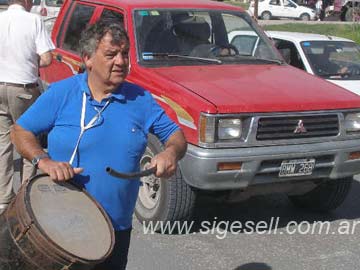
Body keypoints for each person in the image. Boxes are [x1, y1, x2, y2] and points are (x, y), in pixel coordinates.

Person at [10, 21, 187, 270]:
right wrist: (44, 161)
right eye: (111, 54)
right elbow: (20, 131)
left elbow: (176, 136)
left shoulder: (140, 99)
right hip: (59, 227)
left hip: (114, 231)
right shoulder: (63, 93)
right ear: (88, 59)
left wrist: (171, 153)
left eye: (125, 54)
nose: (121, 61)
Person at [0, 0, 55, 215]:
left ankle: (3, 198)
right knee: (28, 138)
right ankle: (25, 195)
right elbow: (47, 59)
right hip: (22, 88)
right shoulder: (34, 20)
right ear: (25, 1)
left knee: (3, 143)